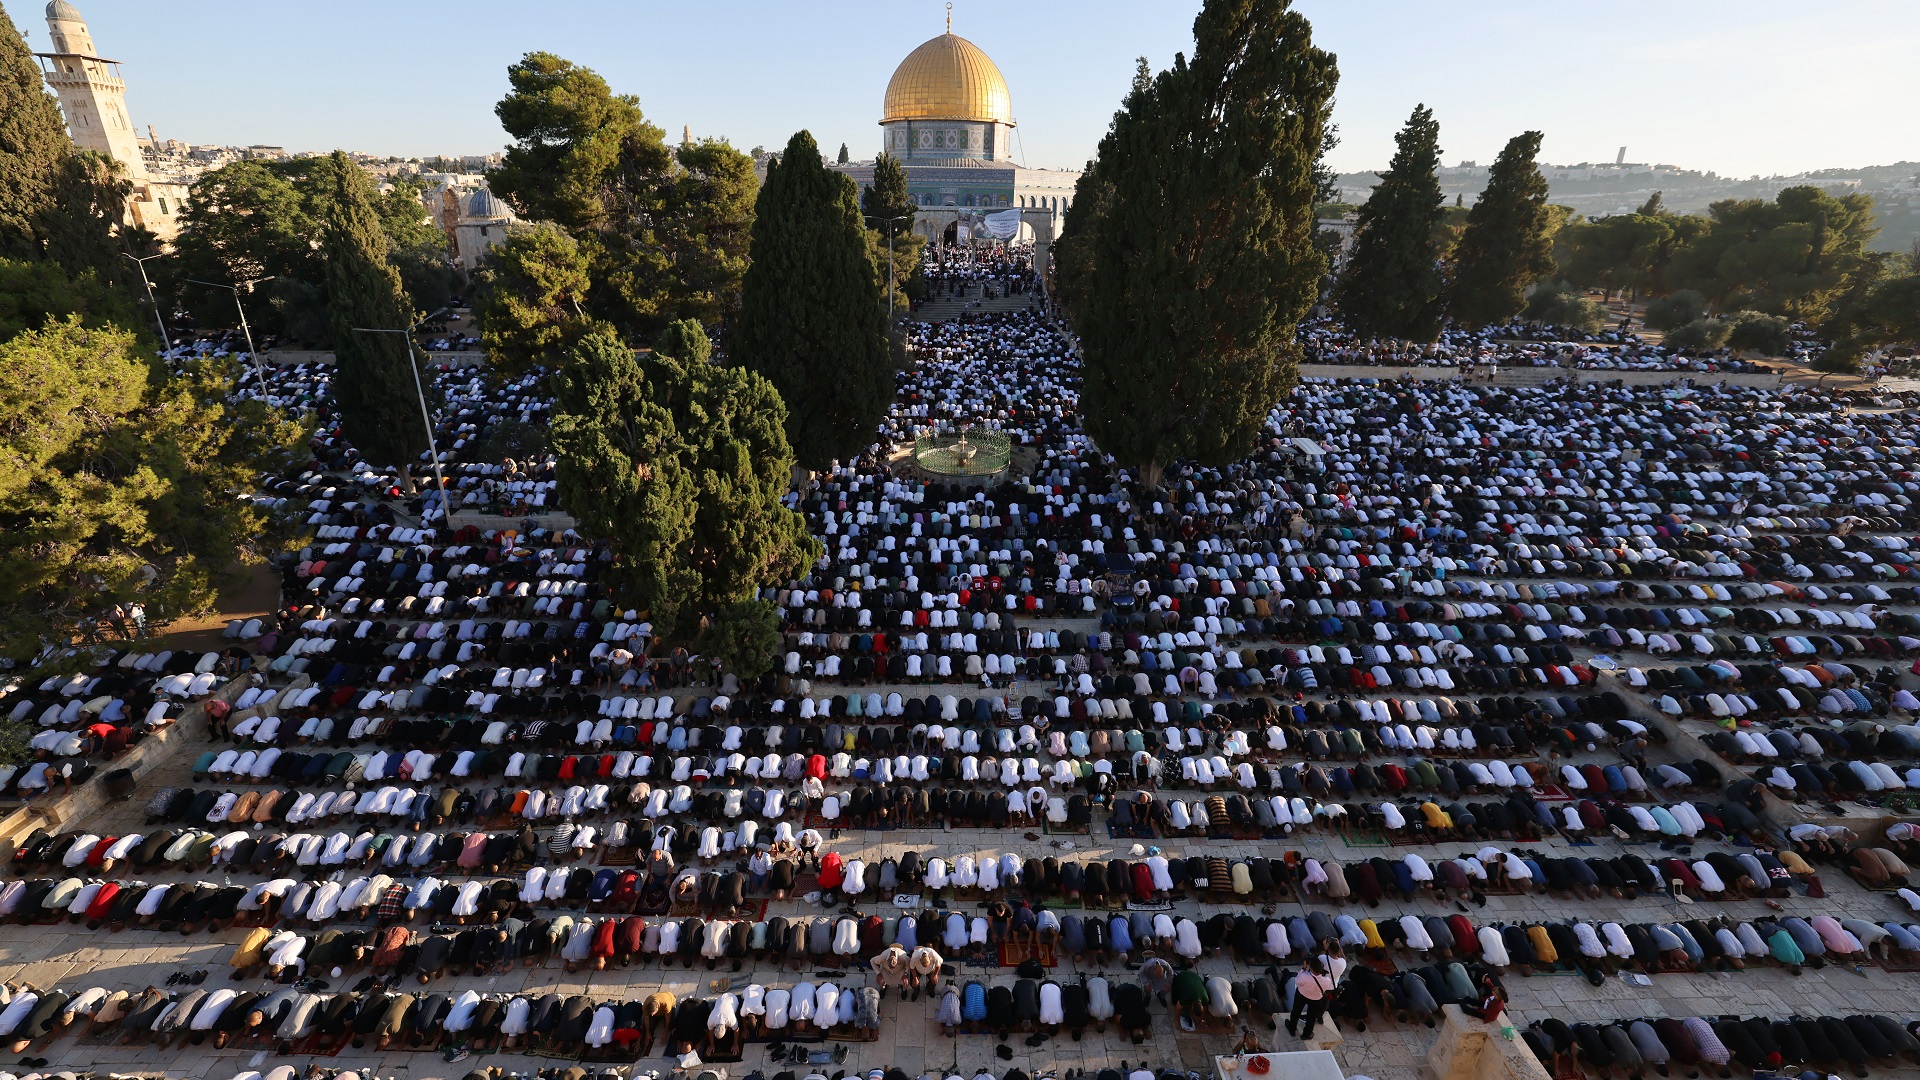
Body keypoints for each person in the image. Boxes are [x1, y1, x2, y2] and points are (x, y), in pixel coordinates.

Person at [1287, 957, 1333, 1038]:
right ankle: (1306, 1034)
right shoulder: (1326, 980)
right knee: (1311, 1017)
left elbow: (1297, 982)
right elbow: (1326, 987)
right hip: (1316, 999)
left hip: (1301, 995)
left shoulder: (1304, 976)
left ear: (1310, 968)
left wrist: (1303, 968)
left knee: (1296, 1011)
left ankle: (1292, 1028)